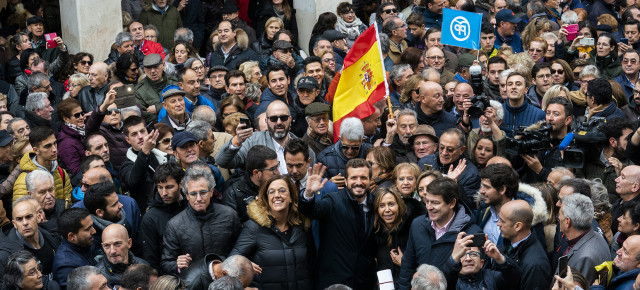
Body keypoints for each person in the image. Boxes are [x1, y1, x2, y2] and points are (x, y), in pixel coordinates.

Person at [299, 160, 376, 289]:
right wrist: (309, 193)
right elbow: (311, 210)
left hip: (364, 282)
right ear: (345, 181)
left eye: (363, 178)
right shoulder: (332, 201)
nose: (358, 182)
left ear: (370, 180)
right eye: (354, 178)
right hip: (334, 282)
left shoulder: (376, 203)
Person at [231, 175, 312, 289]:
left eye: (282, 191)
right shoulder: (254, 228)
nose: (277, 195)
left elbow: (311, 265)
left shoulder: (302, 226)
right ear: (267, 198)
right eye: (271, 192)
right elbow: (232, 264)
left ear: (291, 197)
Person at [161, 167, 240, 274]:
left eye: (203, 192)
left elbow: (240, 250)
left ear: (211, 192)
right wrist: (177, 265)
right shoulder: (174, 225)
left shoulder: (229, 215)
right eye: (193, 194)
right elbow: (166, 263)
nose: (198, 198)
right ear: (187, 196)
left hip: (226, 279)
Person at [216, 100, 315, 175]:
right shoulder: (252, 141)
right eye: (273, 118)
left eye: (283, 118)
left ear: (290, 120)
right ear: (266, 121)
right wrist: (237, 141)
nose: (279, 122)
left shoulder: (303, 148)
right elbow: (222, 161)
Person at [373, 187, 423, 288]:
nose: (387, 210)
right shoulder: (374, 232)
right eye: (382, 206)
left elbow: (425, 268)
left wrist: (404, 263)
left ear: (399, 206)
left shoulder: (413, 229)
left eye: (391, 204)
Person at [0, 198, 60, 281]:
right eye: (19, 219)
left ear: (38, 218)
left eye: (28, 217)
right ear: (14, 224)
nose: (25, 223)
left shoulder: (51, 234)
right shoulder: (6, 255)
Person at [419, 128, 481, 208]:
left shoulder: (471, 174)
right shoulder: (425, 162)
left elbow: (467, 207)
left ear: (462, 150)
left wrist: (454, 184)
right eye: (441, 147)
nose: (444, 153)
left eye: (450, 150)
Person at [498, 200, 552, 289]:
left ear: (518, 226)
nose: (498, 224)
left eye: (502, 221)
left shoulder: (535, 265)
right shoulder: (509, 243)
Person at [557, 194, 610, 283]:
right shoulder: (596, 236)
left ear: (567, 222)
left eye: (559, 215)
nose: (558, 217)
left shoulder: (585, 258)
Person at [13, 126, 72, 204]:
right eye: (48, 146)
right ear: (36, 150)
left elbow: (68, 204)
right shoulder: (24, 181)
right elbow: (21, 212)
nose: (54, 149)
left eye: (55, 143)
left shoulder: (61, 172)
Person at [119, 115, 164, 212]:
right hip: (149, 212)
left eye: (142, 131)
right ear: (128, 140)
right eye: (134, 134)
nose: (140, 137)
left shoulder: (159, 155)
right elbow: (132, 181)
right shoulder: (126, 164)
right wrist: (144, 151)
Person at [224, 145, 279, 222]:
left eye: (277, 166)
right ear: (256, 173)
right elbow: (233, 228)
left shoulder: (279, 186)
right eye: (273, 169)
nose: (278, 172)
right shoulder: (233, 194)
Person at [317, 117, 371, 187]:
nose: (350, 151)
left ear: (362, 140)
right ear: (340, 139)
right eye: (345, 147)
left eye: (355, 148)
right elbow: (318, 191)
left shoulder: (371, 154)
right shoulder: (324, 158)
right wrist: (328, 185)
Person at [52, 208, 97, 288]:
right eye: (88, 229)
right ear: (72, 236)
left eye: (92, 226)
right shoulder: (67, 267)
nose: (94, 231)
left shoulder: (83, 245)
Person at [135, 53, 179, 124]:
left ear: (163, 65)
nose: (152, 71)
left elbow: (183, 104)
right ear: (144, 69)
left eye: (156, 67)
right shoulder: (139, 91)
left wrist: (158, 108)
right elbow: (145, 117)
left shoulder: (174, 82)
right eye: (149, 68)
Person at [499, 71, 546, 137]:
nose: (513, 87)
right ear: (506, 89)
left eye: (518, 84)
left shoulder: (538, 115)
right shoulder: (497, 112)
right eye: (510, 84)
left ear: (526, 90)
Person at [56, 98, 86, 175]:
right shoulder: (66, 143)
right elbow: (76, 171)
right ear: (66, 119)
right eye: (77, 115)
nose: (81, 117)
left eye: (82, 113)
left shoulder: (81, 132)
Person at [612, 166, 640, 232]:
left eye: (623, 177)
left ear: (635, 187)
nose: (616, 180)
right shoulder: (619, 202)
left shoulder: (637, 212)